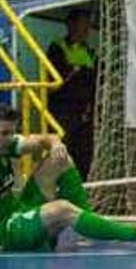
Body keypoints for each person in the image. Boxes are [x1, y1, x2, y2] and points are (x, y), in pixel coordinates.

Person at [0, 104, 136, 253]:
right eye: (4, 133)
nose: (9, 138)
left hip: (15, 213)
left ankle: (89, 225)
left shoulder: (2, 144)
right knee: (62, 209)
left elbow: (44, 139)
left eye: (12, 132)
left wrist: (55, 144)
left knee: (60, 159)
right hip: (0, 232)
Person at [47, 9, 97, 180]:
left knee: (83, 155)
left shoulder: (89, 52)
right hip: (62, 112)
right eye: (84, 24)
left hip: (84, 113)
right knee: (62, 154)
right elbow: (57, 76)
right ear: (71, 25)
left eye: (88, 26)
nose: (87, 30)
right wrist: (76, 72)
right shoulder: (57, 47)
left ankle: (81, 191)